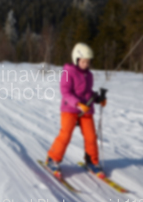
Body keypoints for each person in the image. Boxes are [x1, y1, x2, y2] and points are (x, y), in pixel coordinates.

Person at [45, 43, 107, 179]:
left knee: (91, 137)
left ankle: (92, 162)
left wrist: (98, 99)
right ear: (76, 59)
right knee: (65, 134)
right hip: (70, 109)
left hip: (86, 110)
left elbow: (88, 92)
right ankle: (52, 159)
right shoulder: (68, 72)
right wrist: (77, 103)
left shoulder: (89, 75)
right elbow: (65, 91)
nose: (86, 64)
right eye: (83, 61)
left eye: (88, 62)